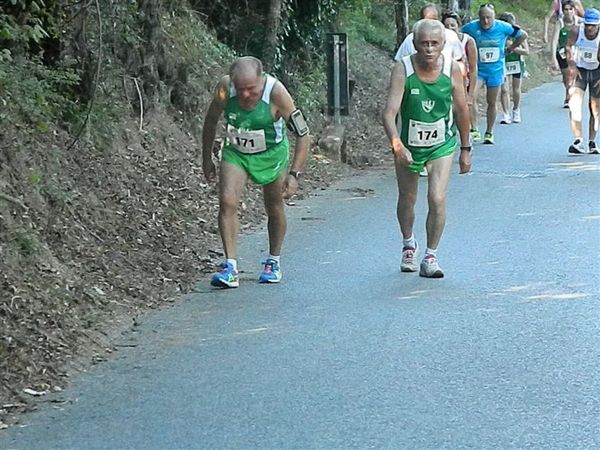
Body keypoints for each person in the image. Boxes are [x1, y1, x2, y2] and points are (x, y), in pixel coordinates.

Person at [202, 56, 310, 287]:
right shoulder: (224, 88)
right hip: (236, 151)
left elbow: (303, 134)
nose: (245, 95)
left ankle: (273, 260)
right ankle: (230, 265)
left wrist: (294, 174)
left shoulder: (277, 92)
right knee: (227, 202)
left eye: (251, 90)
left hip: (271, 154)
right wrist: (206, 159)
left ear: (261, 81)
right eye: (240, 89)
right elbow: (210, 121)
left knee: (274, 207)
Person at [382, 19, 472, 279]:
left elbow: (461, 108)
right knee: (408, 199)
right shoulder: (403, 69)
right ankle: (408, 244)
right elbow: (389, 113)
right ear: (415, 44)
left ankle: (431, 255)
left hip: (441, 144)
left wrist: (466, 148)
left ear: (443, 44)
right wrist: (397, 144)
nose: (430, 49)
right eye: (424, 44)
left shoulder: (452, 69)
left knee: (437, 198)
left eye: (435, 43)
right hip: (408, 144)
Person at [462, 3, 528, 144]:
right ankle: (474, 128)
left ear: (494, 17)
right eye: (482, 18)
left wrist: (510, 48)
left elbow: (523, 35)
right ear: (478, 17)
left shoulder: (503, 27)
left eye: (489, 18)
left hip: (495, 71)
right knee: (470, 98)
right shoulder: (471, 27)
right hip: (477, 71)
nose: (486, 21)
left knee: (491, 102)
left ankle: (489, 132)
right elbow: (458, 37)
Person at [564, 8, 600, 154]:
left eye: (593, 25)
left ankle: (592, 141)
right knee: (574, 104)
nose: (589, 28)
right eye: (587, 24)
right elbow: (567, 46)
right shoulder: (576, 31)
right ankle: (578, 140)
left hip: (597, 71)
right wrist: (572, 66)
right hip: (580, 70)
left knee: (595, 109)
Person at [442, 11, 478, 136]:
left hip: (464, 80)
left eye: (453, 25)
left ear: (458, 25)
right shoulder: (440, 41)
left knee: (466, 105)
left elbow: (473, 68)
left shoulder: (468, 40)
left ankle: (472, 129)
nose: (450, 29)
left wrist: (471, 93)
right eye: (446, 26)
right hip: (447, 80)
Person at [394, 3, 465, 64]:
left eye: (434, 20)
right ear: (421, 20)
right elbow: (400, 63)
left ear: (440, 19)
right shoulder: (411, 38)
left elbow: (459, 60)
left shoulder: (451, 36)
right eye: (427, 20)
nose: (430, 23)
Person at [498, 12, 529, 125]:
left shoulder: (518, 34)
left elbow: (526, 51)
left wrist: (512, 47)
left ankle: (516, 110)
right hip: (503, 63)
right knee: (504, 89)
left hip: (516, 63)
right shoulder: (499, 34)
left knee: (516, 89)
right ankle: (506, 113)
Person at [551, 0, 583, 107]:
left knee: (571, 74)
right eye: (566, 9)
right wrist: (553, 58)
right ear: (563, 11)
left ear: (574, 10)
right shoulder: (559, 23)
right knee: (566, 76)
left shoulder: (579, 21)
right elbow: (554, 41)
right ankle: (568, 92)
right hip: (562, 53)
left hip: (575, 52)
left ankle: (569, 98)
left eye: (570, 9)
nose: (568, 12)